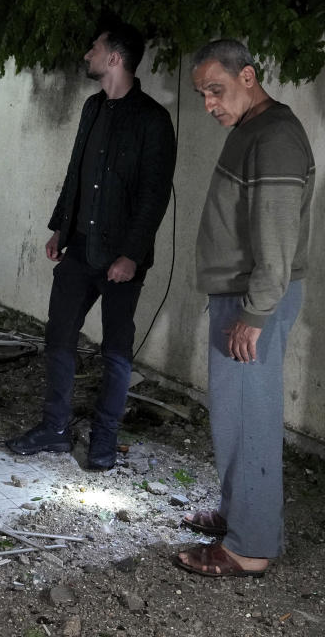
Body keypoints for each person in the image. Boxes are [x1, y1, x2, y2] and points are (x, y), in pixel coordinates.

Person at [6, 19, 176, 469]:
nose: (87, 55)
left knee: (116, 352)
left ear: (115, 58)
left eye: (94, 48)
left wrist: (131, 256)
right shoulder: (91, 108)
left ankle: (103, 442)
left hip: (121, 259)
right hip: (79, 248)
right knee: (58, 336)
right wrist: (61, 227)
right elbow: (76, 172)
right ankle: (55, 430)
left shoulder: (153, 121)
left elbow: (153, 196)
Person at [176, 40, 315, 577]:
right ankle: (240, 516)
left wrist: (254, 315)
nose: (209, 103)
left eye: (217, 89)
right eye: (202, 94)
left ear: (249, 76)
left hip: (253, 300)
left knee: (250, 419)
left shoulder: (274, 136)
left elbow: (277, 240)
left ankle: (250, 547)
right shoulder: (253, 131)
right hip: (243, 295)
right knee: (234, 418)